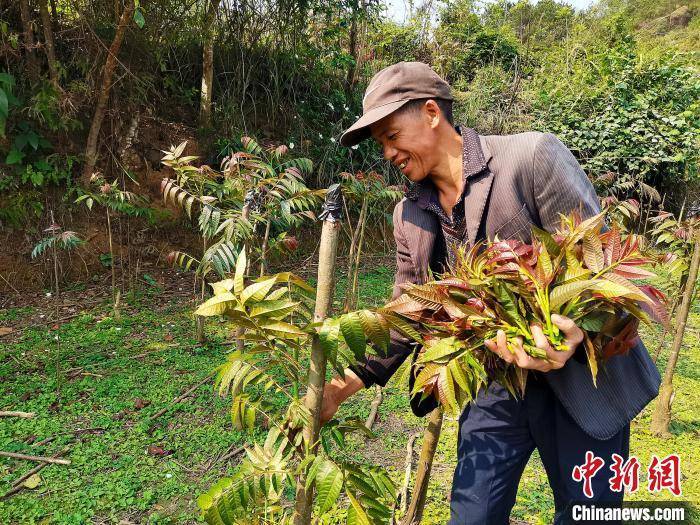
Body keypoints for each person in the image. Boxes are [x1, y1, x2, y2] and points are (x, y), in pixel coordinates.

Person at [320, 62, 661, 524]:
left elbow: (601, 265)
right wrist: (340, 387)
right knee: (472, 514)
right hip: (497, 383)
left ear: (431, 113)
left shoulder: (531, 157)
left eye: (391, 135)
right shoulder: (409, 215)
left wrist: (574, 333)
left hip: (583, 380)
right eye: (380, 143)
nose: (387, 152)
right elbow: (408, 312)